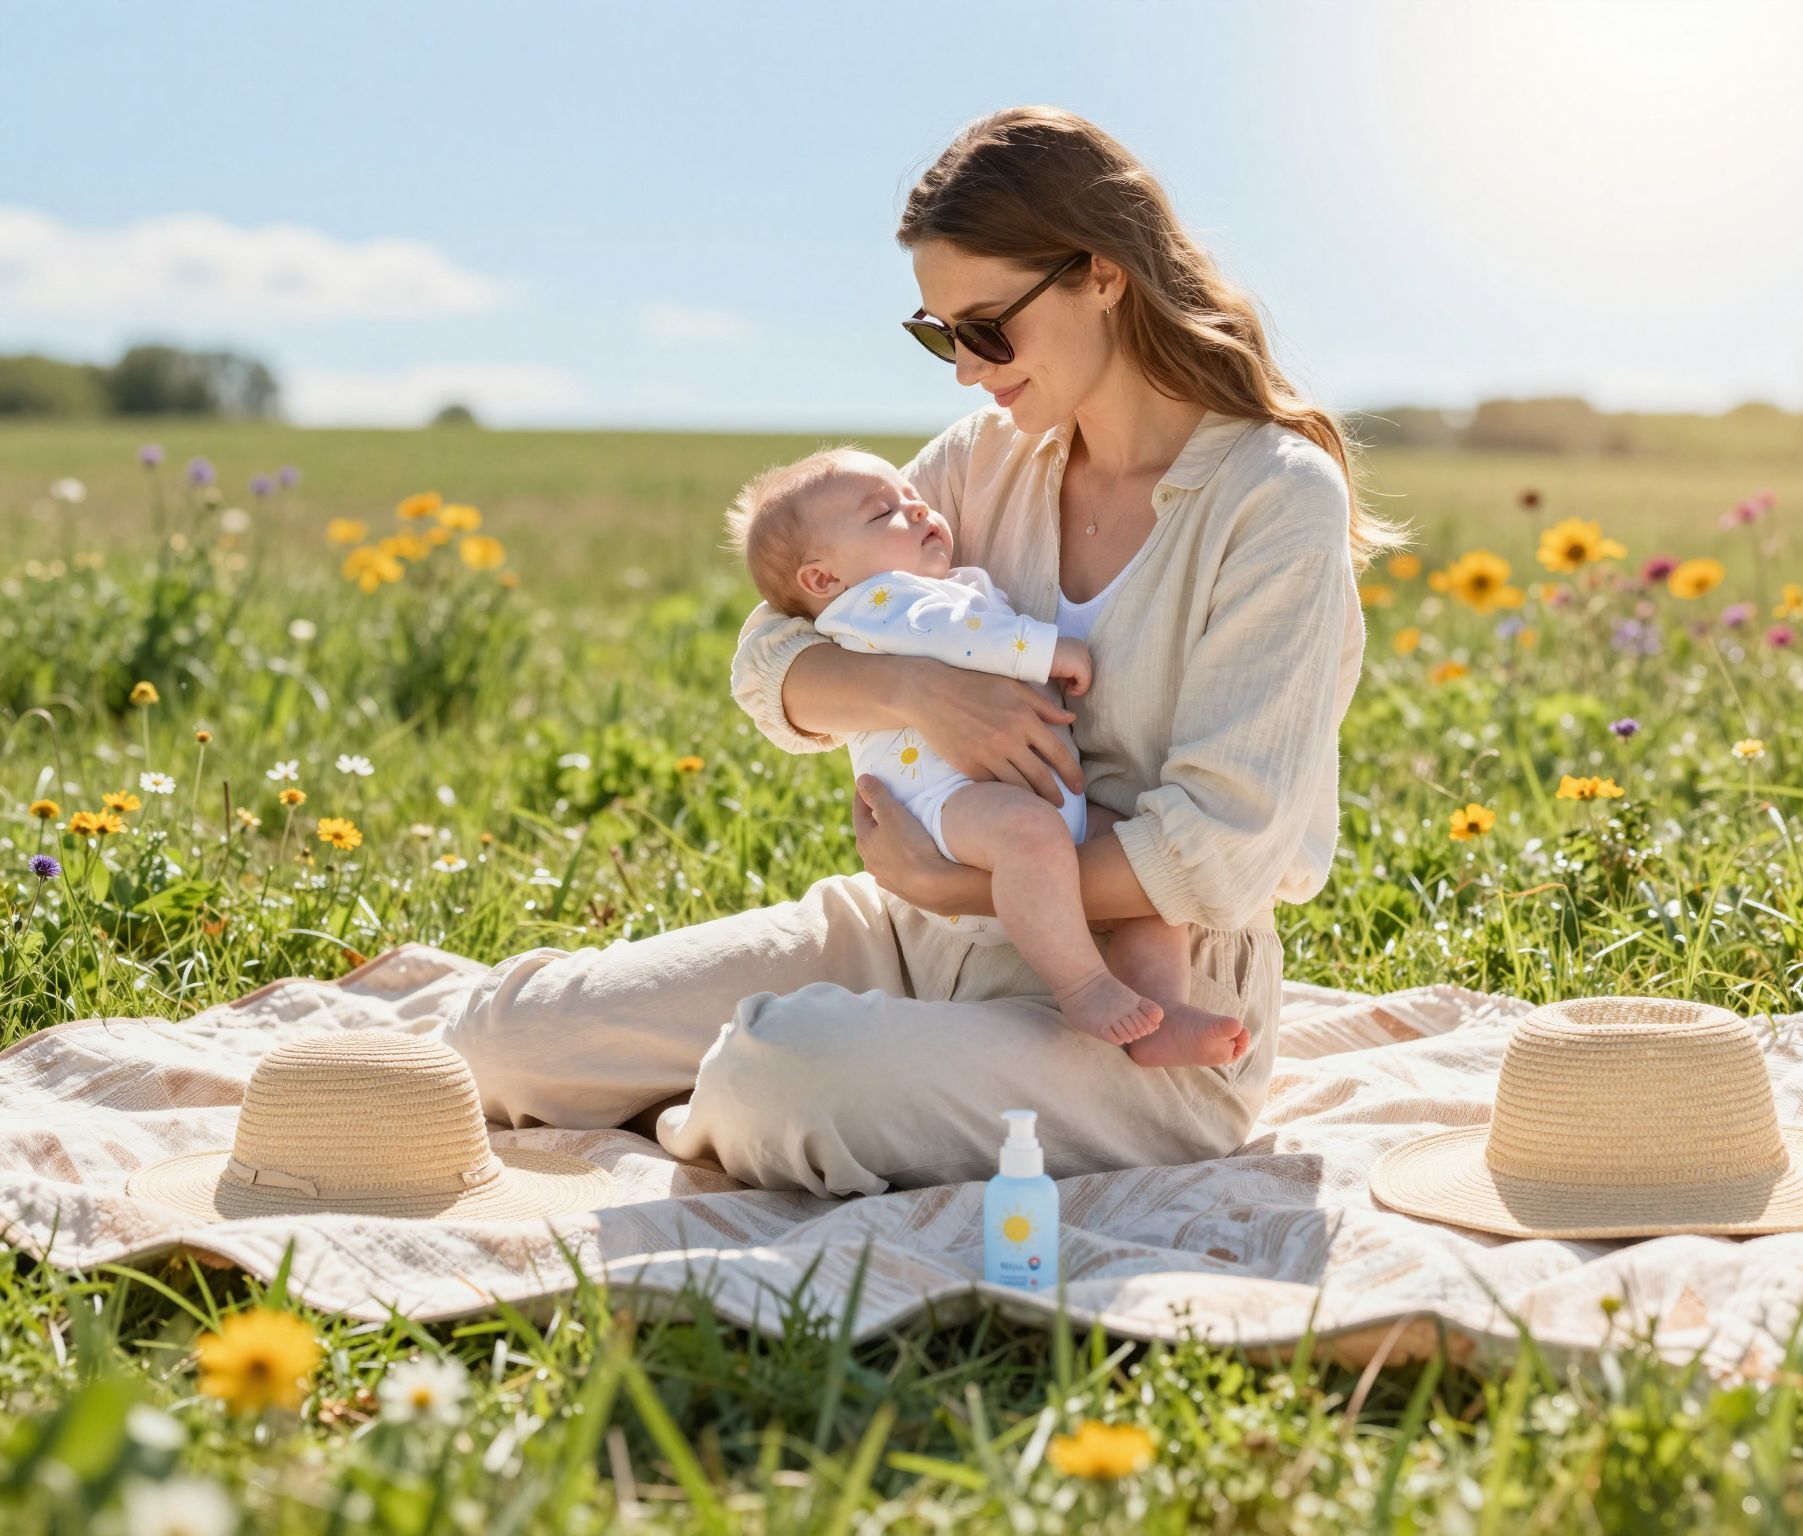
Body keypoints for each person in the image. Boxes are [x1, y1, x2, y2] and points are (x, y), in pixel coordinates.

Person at [440, 105, 1403, 1198]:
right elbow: (772, 653)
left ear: (1100, 275)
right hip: (901, 937)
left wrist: (962, 888)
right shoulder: (984, 456)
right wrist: (912, 690)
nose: (964, 369)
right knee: (504, 1041)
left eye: (987, 327)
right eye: (939, 333)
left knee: (780, 1073)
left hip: (1135, 1002)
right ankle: (814, 1092)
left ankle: (770, 1096)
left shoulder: (1273, 497)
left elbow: (1220, 847)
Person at [720, 442, 1249, 1066]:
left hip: (1031, 821)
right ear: (823, 579)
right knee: (1029, 835)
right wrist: (1047, 650)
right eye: (884, 511)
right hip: (945, 807)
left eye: (913, 498)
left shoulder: (926, 581)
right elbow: (964, 638)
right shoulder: (877, 604)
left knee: (1146, 876)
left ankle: (1162, 1010)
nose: (918, 508)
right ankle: (1083, 985)